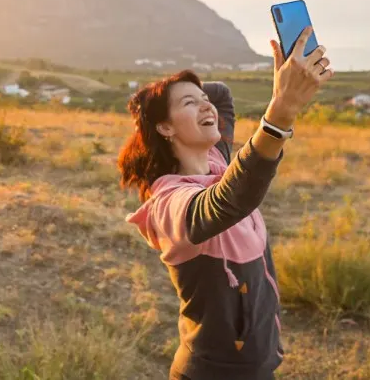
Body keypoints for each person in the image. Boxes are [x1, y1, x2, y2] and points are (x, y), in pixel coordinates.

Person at [118, 27, 332, 380]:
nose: (206, 105)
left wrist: (177, 94)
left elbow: (221, 95)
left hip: (259, 365)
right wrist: (283, 108)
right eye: (190, 104)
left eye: (202, 100)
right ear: (165, 129)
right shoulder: (168, 204)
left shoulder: (217, 160)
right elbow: (229, 201)